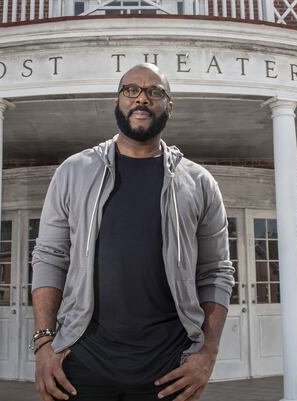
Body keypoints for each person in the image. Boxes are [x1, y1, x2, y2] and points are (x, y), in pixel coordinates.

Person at [31, 63, 234, 401]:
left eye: (154, 92)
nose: (142, 98)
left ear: (169, 106)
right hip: (81, 362)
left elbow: (216, 272)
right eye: (131, 90)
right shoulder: (74, 171)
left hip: (170, 367)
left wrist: (208, 353)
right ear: (117, 101)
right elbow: (50, 256)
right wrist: (43, 343)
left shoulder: (199, 183)